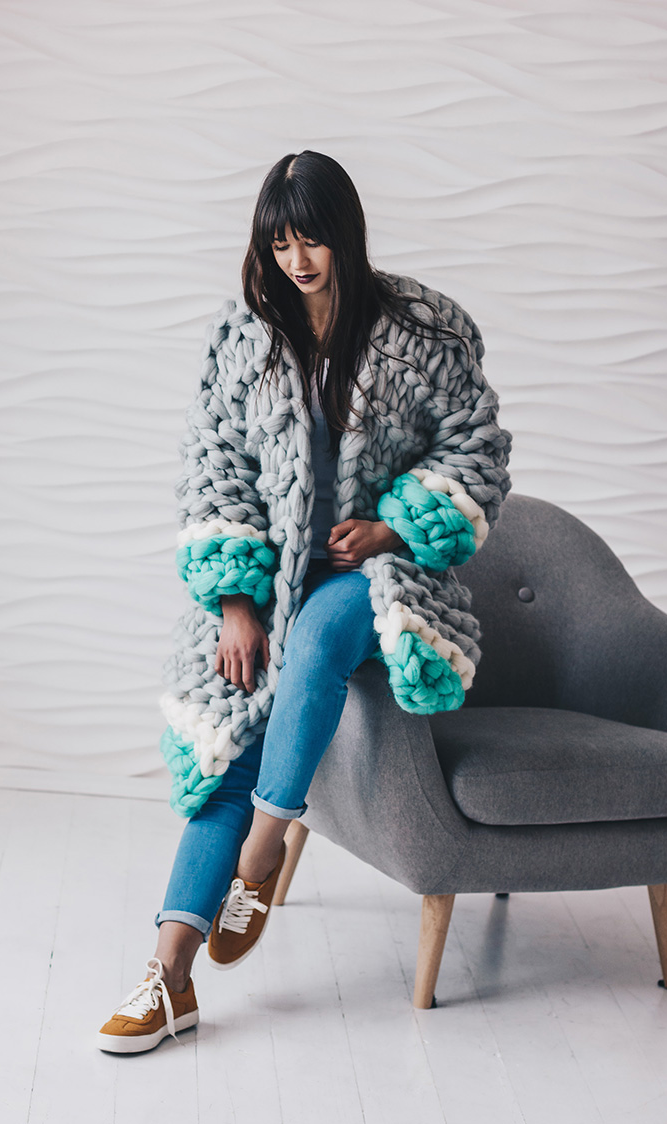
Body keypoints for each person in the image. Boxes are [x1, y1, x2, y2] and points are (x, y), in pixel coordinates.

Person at [97, 150, 512, 1053]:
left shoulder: (424, 332)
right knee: (224, 746)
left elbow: (477, 450)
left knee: (322, 634)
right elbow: (212, 465)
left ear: (345, 233)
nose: (296, 260)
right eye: (279, 243)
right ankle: (169, 978)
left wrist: (394, 528)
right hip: (269, 593)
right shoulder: (243, 338)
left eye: (311, 239)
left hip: (387, 584)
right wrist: (235, 603)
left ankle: (265, 848)